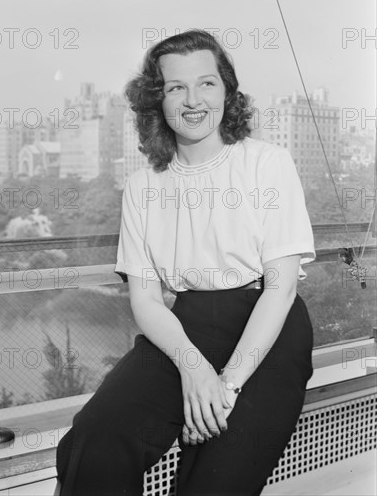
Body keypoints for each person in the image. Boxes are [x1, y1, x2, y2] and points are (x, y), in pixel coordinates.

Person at [56, 29, 316, 496]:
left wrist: (226, 386)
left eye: (207, 83)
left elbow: (281, 287)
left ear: (227, 90)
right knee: (94, 438)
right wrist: (195, 371)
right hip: (186, 328)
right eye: (176, 87)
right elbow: (147, 299)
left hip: (267, 329)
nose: (193, 100)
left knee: (214, 483)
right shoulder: (142, 187)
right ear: (158, 99)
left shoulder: (267, 163)